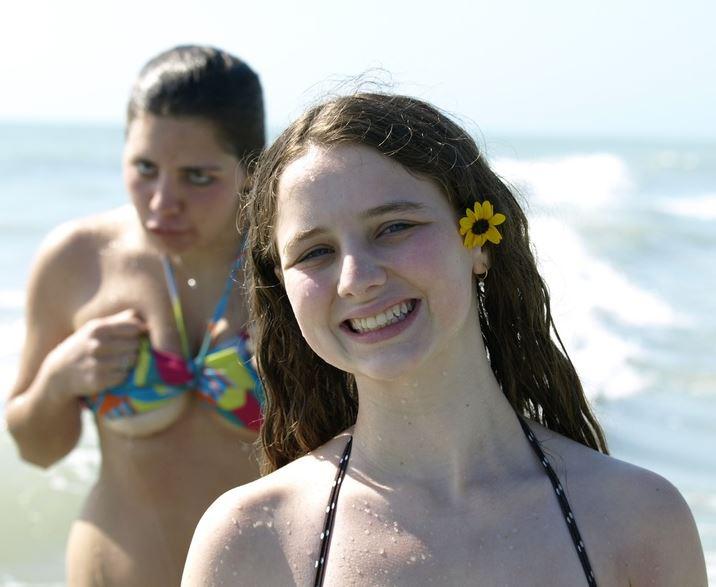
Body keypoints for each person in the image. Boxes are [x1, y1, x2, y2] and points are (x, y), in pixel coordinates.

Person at [182, 92, 707, 586]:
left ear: (477, 241)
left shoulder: (636, 518)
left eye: (394, 227)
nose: (357, 277)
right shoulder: (253, 539)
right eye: (315, 252)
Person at [5, 45, 265, 586]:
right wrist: (59, 382)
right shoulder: (78, 259)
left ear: (250, 169)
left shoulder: (289, 269)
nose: (162, 201)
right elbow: (37, 449)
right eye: (145, 168)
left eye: (197, 176)